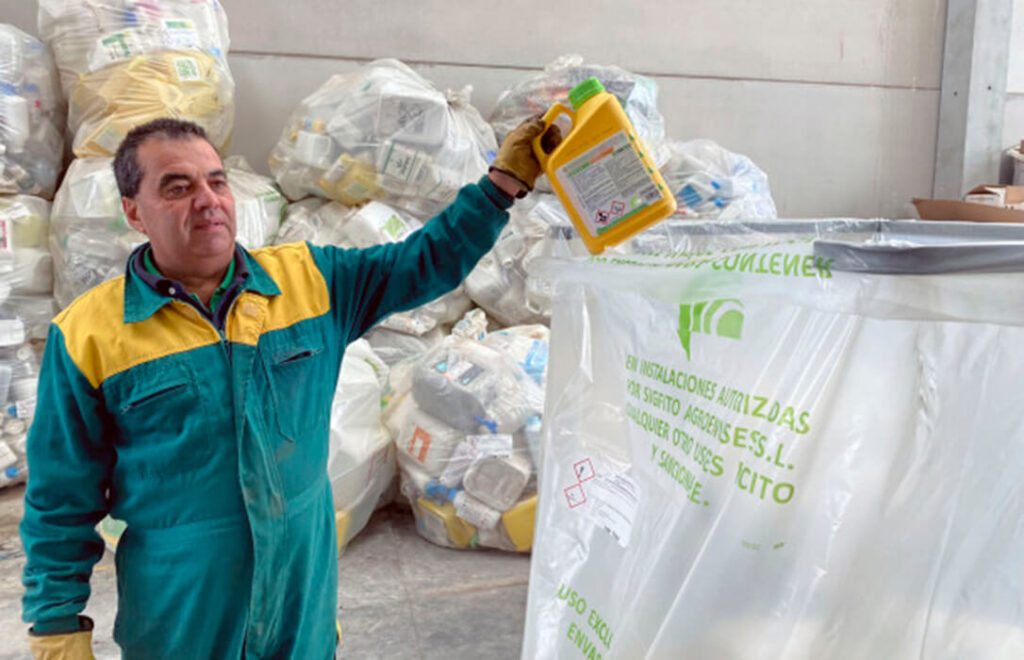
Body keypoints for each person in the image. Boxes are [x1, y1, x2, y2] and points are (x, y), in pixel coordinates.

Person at [20, 116, 558, 658]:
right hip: (182, 621)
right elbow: (61, 495)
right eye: (178, 188)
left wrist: (501, 186)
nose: (207, 201)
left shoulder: (308, 282)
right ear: (134, 212)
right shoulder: (90, 335)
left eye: (216, 181)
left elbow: (424, 261)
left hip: (300, 611)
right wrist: (56, 623)